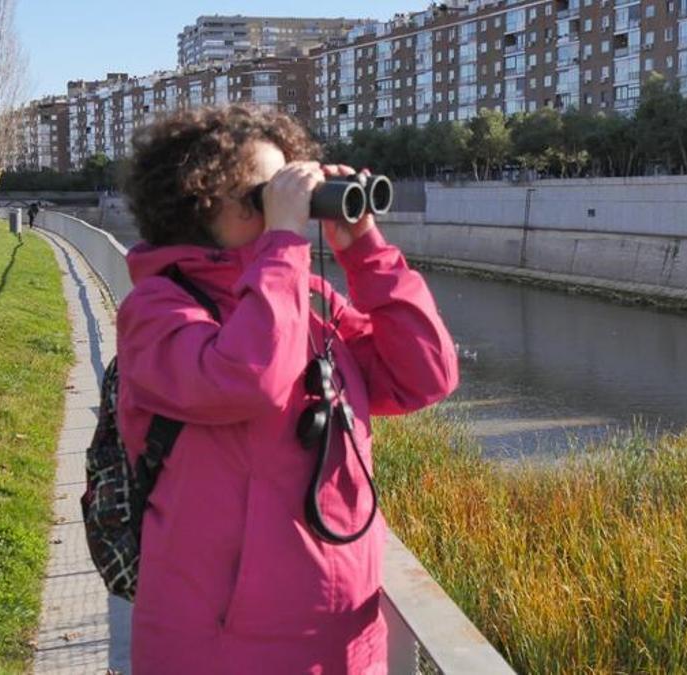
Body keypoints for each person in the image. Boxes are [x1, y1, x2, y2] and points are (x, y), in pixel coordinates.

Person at [116, 104, 459, 673]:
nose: (288, 204)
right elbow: (251, 378)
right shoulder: (157, 312)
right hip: (218, 647)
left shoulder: (310, 298)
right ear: (196, 203)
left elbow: (426, 375)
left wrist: (364, 247)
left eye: (289, 185)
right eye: (264, 193)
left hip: (346, 638)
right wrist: (282, 243)